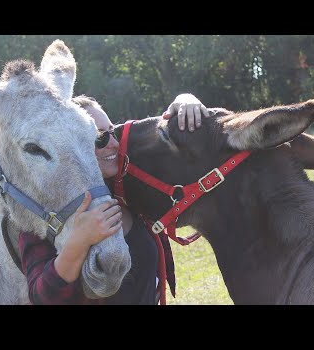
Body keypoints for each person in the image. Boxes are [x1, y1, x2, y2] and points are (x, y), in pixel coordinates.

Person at [19, 93, 209, 305]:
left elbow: (164, 139)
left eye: (113, 131)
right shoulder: (43, 207)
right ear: (73, 147)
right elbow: (43, 298)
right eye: (99, 137)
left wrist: (185, 100)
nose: (114, 143)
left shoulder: (128, 187)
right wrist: (79, 241)